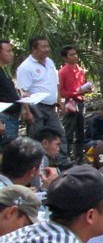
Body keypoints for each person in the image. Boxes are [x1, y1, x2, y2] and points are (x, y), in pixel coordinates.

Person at [16, 35, 71, 167]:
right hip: (36, 107)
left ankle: (61, 162)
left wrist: (59, 100)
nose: (47, 49)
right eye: (43, 47)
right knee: (36, 137)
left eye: (47, 46)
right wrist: (27, 112)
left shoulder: (50, 62)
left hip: (51, 107)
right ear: (34, 49)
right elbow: (22, 91)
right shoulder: (26, 67)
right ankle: (36, 164)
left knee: (59, 133)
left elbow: (55, 82)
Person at [58, 45, 91, 163]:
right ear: (65, 58)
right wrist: (75, 93)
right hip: (70, 103)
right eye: (71, 55)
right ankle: (66, 157)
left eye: (75, 54)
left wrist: (86, 90)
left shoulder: (81, 70)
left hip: (80, 102)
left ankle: (79, 157)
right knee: (69, 131)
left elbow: (82, 86)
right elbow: (61, 92)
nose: (75, 57)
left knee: (81, 130)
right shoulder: (63, 72)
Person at [0, 39, 22, 150]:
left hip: (12, 118)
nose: (11, 54)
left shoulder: (4, 71)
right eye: (8, 51)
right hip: (4, 118)